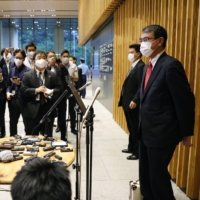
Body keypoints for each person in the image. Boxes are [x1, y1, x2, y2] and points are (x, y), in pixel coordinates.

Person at [138, 25, 195, 200]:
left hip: (162, 133)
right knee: (145, 176)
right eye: (141, 40)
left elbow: (184, 101)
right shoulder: (148, 66)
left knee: (158, 178)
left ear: (160, 41)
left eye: (146, 40)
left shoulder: (171, 65)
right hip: (146, 131)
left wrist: (186, 133)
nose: (142, 44)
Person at [20, 51, 60, 136]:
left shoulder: (52, 75)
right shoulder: (27, 75)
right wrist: (36, 90)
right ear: (34, 61)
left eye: (44, 58)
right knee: (32, 137)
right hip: (32, 111)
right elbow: (23, 90)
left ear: (47, 61)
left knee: (48, 138)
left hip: (48, 110)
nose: (42, 59)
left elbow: (59, 89)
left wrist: (51, 92)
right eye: (39, 58)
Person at [119, 44, 145, 160]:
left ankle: (137, 151)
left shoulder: (140, 67)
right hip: (127, 102)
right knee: (130, 127)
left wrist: (135, 100)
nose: (129, 54)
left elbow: (141, 86)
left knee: (135, 128)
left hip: (133, 103)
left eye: (131, 52)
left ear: (138, 54)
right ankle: (131, 147)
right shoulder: (134, 66)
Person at [6, 49, 30, 136]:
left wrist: (19, 83)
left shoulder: (28, 71)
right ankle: (12, 140)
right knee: (12, 122)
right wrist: (8, 92)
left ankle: (28, 140)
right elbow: (9, 84)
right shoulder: (12, 70)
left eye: (20, 58)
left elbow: (29, 87)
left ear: (24, 59)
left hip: (24, 100)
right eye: (16, 57)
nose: (18, 59)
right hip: (13, 100)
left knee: (27, 123)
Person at [46, 51, 69, 141]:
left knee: (62, 118)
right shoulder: (45, 69)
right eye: (50, 56)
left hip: (61, 97)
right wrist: (48, 66)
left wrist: (63, 68)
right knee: (49, 119)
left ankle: (63, 137)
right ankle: (49, 136)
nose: (53, 58)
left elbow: (68, 81)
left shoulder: (61, 68)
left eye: (54, 56)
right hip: (49, 97)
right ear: (47, 58)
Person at [60, 50, 78, 135]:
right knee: (61, 110)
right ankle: (60, 127)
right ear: (61, 57)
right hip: (61, 90)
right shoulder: (58, 66)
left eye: (67, 56)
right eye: (64, 56)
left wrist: (70, 76)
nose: (65, 58)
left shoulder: (73, 66)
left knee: (72, 110)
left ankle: (73, 128)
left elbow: (77, 78)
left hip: (71, 89)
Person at [0, 48, 14, 137]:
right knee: (1, 113)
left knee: (13, 113)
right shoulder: (1, 63)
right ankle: (2, 132)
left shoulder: (13, 64)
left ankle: (13, 133)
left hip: (11, 90)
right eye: (6, 52)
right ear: (3, 54)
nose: (8, 54)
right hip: (1, 91)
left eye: (9, 52)